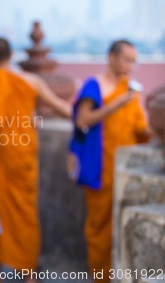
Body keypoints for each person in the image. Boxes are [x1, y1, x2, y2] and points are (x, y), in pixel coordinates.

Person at [0, 37, 71, 280]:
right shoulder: (31, 81)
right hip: (23, 157)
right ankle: (28, 275)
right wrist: (88, 117)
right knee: (25, 215)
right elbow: (61, 107)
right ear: (12, 55)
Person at [70, 40, 149, 283]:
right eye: (126, 59)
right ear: (111, 57)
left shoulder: (128, 90)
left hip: (128, 169)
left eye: (134, 60)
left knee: (126, 228)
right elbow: (82, 120)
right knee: (99, 230)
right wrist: (117, 104)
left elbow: (140, 128)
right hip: (100, 169)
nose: (130, 65)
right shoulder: (95, 85)